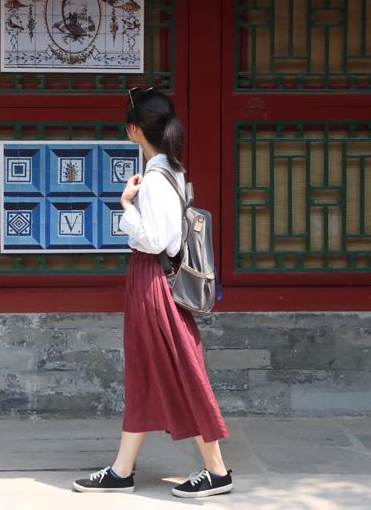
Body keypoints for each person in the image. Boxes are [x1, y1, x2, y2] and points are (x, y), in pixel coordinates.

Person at [72, 87, 233, 499]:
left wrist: (126, 206)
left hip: (155, 282)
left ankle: (217, 471)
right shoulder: (170, 171)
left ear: (134, 130)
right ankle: (121, 470)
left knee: (182, 371)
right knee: (145, 371)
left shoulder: (157, 178)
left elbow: (156, 240)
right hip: (154, 280)